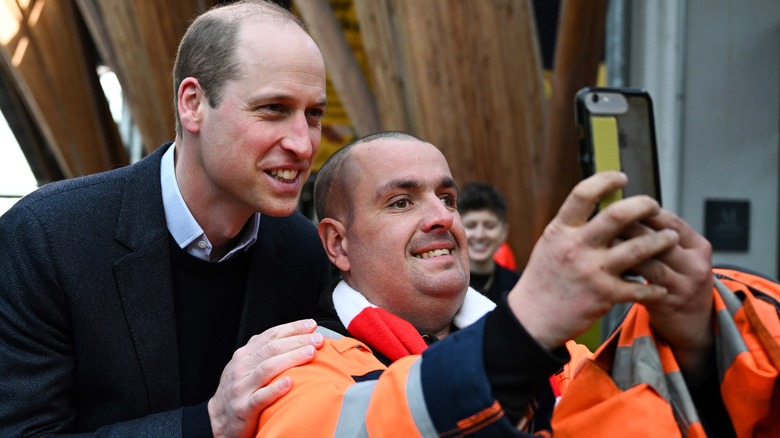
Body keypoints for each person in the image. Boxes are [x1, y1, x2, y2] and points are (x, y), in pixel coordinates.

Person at [253, 131, 778, 436]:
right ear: (337, 245)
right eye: (401, 202)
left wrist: (698, 348)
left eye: (448, 198)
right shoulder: (295, 366)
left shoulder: (563, 360)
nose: (442, 218)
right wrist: (522, 330)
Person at [0, 1, 334, 436]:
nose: (304, 145)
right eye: (273, 108)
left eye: (314, 115)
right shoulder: (48, 237)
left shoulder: (305, 252)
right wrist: (207, 424)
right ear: (192, 104)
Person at [458, 181, 521, 302]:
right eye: (471, 226)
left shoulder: (518, 286)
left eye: (489, 226)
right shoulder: (445, 285)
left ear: (504, 232)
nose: (480, 235)